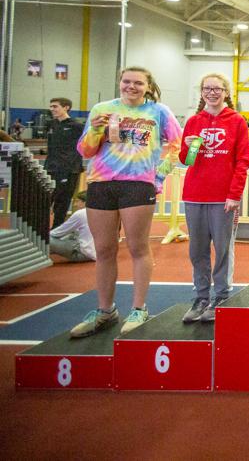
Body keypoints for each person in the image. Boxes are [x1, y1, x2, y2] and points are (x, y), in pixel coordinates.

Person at [70, 66, 182, 337]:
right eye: (126, 81)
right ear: (119, 82)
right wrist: (95, 131)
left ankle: (139, 308)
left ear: (147, 86)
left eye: (138, 83)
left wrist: (159, 176)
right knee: (104, 249)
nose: (131, 87)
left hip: (137, 185)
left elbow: (178, 146)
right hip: (101, 183)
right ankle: (105, 310)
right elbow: (84, 150)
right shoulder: (102, 109)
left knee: (138, 247)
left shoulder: (158, 111)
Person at [179, 74, 249, 323]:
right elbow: (185, 161)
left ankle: (221, 295)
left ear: (226, 92)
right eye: (207, 88)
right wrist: (188, 148)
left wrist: (234, 195)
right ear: (201, 92)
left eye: (217, 88)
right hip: (195, 195)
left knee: (222, 250)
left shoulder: (237, 121)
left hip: (223, 198)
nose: (212, 92)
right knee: (197, 250)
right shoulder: (193, 122)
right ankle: (200, 297)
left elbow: (243, 160)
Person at [45, 97, 85, 227]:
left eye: (55, 106)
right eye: (51, 106)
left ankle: (56, 230)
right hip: (50, 168)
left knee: (62, 202)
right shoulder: (51, 124)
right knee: (45, 200)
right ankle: (39, 231)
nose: (52, 109)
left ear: (66, 107)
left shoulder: (77, 126)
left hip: (69, 169)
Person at [49, 191, 95, 263]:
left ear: (85, 202)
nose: (75, 205)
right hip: (97, 253)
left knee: (46, 239)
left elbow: (58, 232)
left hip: (83, 253)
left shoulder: (81, 213)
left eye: (77, 201)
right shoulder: (101, 212)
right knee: (70, 234)